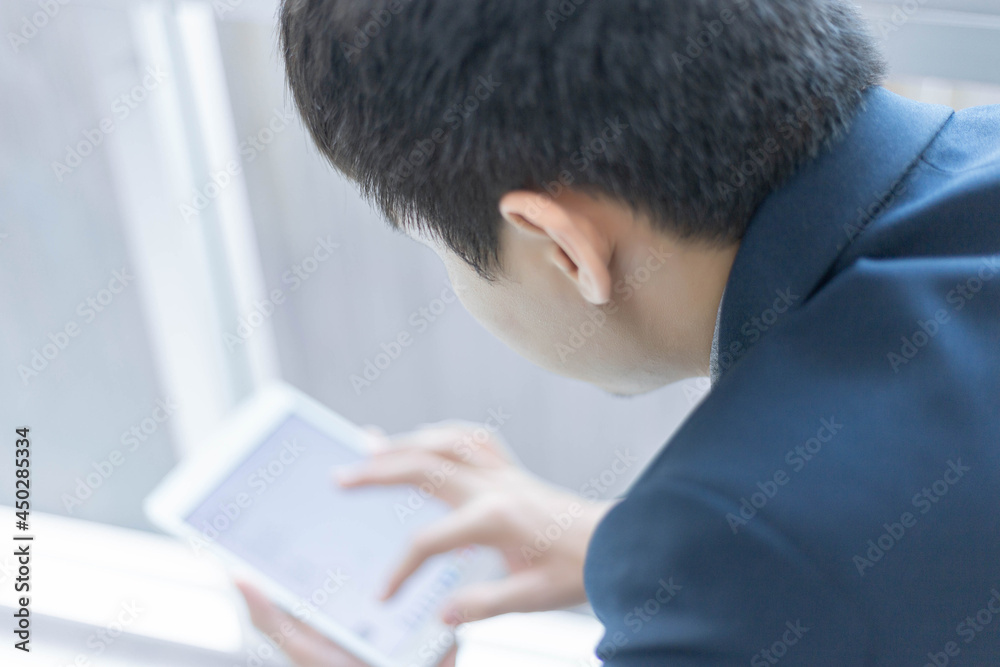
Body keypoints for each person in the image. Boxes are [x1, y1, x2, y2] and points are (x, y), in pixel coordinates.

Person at [238, 0, 1000, 664]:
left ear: (562, 246)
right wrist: (602, 539)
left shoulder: (728, 548)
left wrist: (693, 562)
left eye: (436, 244)